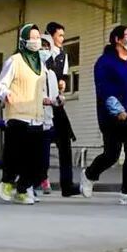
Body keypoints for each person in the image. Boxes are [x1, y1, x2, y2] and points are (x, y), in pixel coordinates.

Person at [81, 26, 127, 205]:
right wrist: (117, 109)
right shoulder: (105, 62)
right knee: (112, 155)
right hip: (114, 117)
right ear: (117, 39)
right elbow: (103, 88)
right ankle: (89, 174)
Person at [0, 24, 54, 205]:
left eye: (38, 38)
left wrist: (46, 99)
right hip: (18, 115)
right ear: (23, 40)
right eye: (32, 38)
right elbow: (0, 85)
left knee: (36, 160)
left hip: (37, 117)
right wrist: (6, 94)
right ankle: (7, 181)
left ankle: (22, 189)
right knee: (15, 154)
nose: (36, 42)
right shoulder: (15, 61)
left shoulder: (41, 65)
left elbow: (40, 90)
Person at [45, 22, 82, 197]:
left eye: (63, 35)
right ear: (50, 35)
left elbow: (64, 77)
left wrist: (62, 85)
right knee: (40, 143)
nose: (62, 38)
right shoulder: (42, 54)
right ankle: (36, 179)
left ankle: (67, 184)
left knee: (65, 143)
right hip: (41, 104)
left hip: (56, 104)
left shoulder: (62, 56)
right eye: (59, 35)